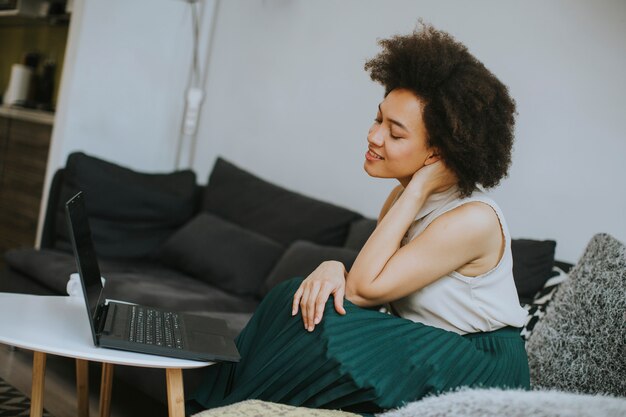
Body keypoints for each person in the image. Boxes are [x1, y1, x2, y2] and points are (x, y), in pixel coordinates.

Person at [188, 23, 529, 416]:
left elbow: (363, 291)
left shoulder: (473, 219)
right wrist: (334, 266)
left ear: (437, 153)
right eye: (378, 118)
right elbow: (363, 286)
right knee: (293, 300)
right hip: (428, 343)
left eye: (395, 133)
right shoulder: (401, 199)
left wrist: (416, 190)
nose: (373, 135)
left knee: (309, 318)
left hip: (478, 362)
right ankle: (217, 407)